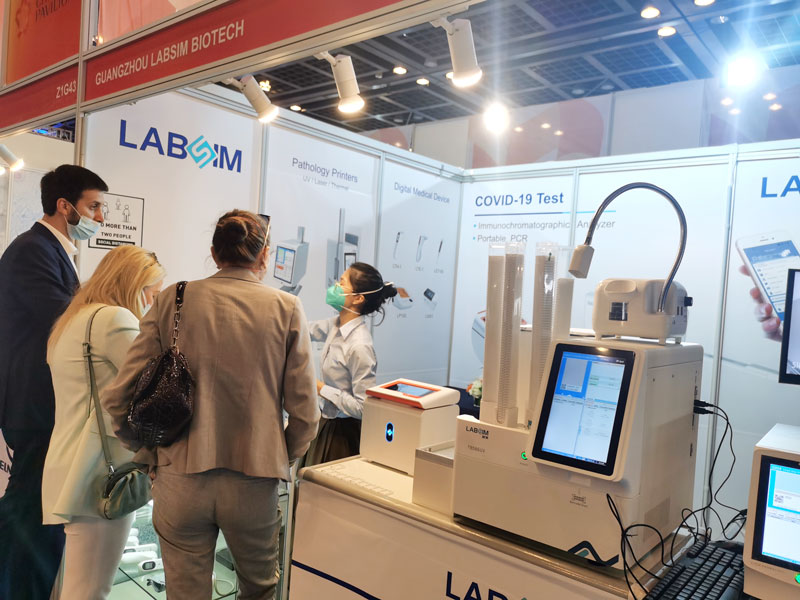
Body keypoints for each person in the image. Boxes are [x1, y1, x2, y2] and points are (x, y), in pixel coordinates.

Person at [102, 210, 320, 600]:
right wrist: (276, 457)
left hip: (179, 478)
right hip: (254, 482)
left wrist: (147, 451)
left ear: (214, 253)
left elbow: (118, 396)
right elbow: (306, 415)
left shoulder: (173, 298)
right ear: (264, 255)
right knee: (259, 590)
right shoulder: (286, 308)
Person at [0, 164, 107, 599]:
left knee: (34, 514)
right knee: (30, 518)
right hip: (34, 405)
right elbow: (64, 323)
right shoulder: (33, 250)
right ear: (65, 206)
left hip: (42, 405)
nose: (101, 218)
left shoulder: (51, 250)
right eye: (94, 207)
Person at [42, 245, 165, 599]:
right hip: (101, 473)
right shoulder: (114, 319)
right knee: (90, 590)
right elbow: (156, 387)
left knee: (78, 587)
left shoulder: (74, 318)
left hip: (76, 466)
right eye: (151, 292)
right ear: (133, 284)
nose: (151, 303)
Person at [305, 262, 397, 465]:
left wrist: (321, 388)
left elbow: (363, 407)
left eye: (342, 283)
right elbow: (304, 329)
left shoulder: (360, 346)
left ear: (358, 298)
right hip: (326, 423)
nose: (335, 287)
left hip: (343, 435)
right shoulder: (335, 325)